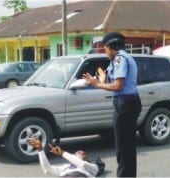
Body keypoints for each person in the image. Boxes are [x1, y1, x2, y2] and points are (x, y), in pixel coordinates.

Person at [83, 32, 141, 177]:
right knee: (127, 146)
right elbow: (116, 83)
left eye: (105, 48)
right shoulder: (126, 57)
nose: (105, 51)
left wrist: (97, 83)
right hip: (129, 102)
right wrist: (102, 80)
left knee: (123, 149)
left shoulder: (119, 59)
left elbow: (118, 86)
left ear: (110, 46)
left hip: (125, 104)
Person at [28, 137, 104, 177]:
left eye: (83, 153)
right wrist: (40, 150)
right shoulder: (65, 168)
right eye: (76, 152)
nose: (79, 152)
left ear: (88, 159)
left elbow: (82, 164)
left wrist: (63, 153)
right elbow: (47, 169)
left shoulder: (93, 168)